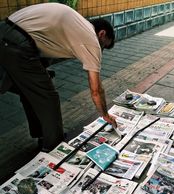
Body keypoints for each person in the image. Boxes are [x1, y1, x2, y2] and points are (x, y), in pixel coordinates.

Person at [0, 2, 117, 152]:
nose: (101, 51)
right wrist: (105, 114)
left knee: (31, 91)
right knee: (48, 97)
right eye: (104, 46)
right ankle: (53, 147)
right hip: (18, 44)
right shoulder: (91, 39)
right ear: (102, 34)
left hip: (5, 31)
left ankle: (43, 134)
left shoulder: (78, 23)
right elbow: (96, 90)